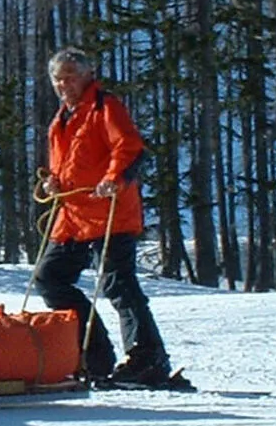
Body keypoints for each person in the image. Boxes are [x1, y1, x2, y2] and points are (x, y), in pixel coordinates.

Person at [35, 46, 179, 389]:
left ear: (88, 75)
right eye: (58, 79)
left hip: (111, 213)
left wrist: (115, 178)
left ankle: (148, 358)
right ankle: (94, 353)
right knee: (49, 278)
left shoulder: (105, 106)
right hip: (73, 217)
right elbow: (67, 165)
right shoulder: (60, 120)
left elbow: (128, 148)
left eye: (70, 76)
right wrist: (51, 182)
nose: (63, 84)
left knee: (119, 284)